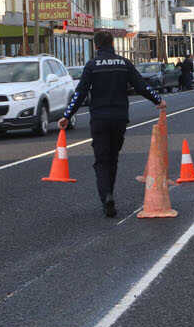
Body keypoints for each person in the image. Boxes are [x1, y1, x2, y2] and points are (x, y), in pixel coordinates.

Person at [59, 34, 164, 217]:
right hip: (119, 118)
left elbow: (80, 92)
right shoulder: (124, 63)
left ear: (96, 45)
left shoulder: (92, 65)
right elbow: (141, 86)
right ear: (113, 44)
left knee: (101, 160)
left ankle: (106, 195)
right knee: (113, 157)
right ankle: (110, 192)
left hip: (99, 118)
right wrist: (158, 100)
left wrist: (67, 115)